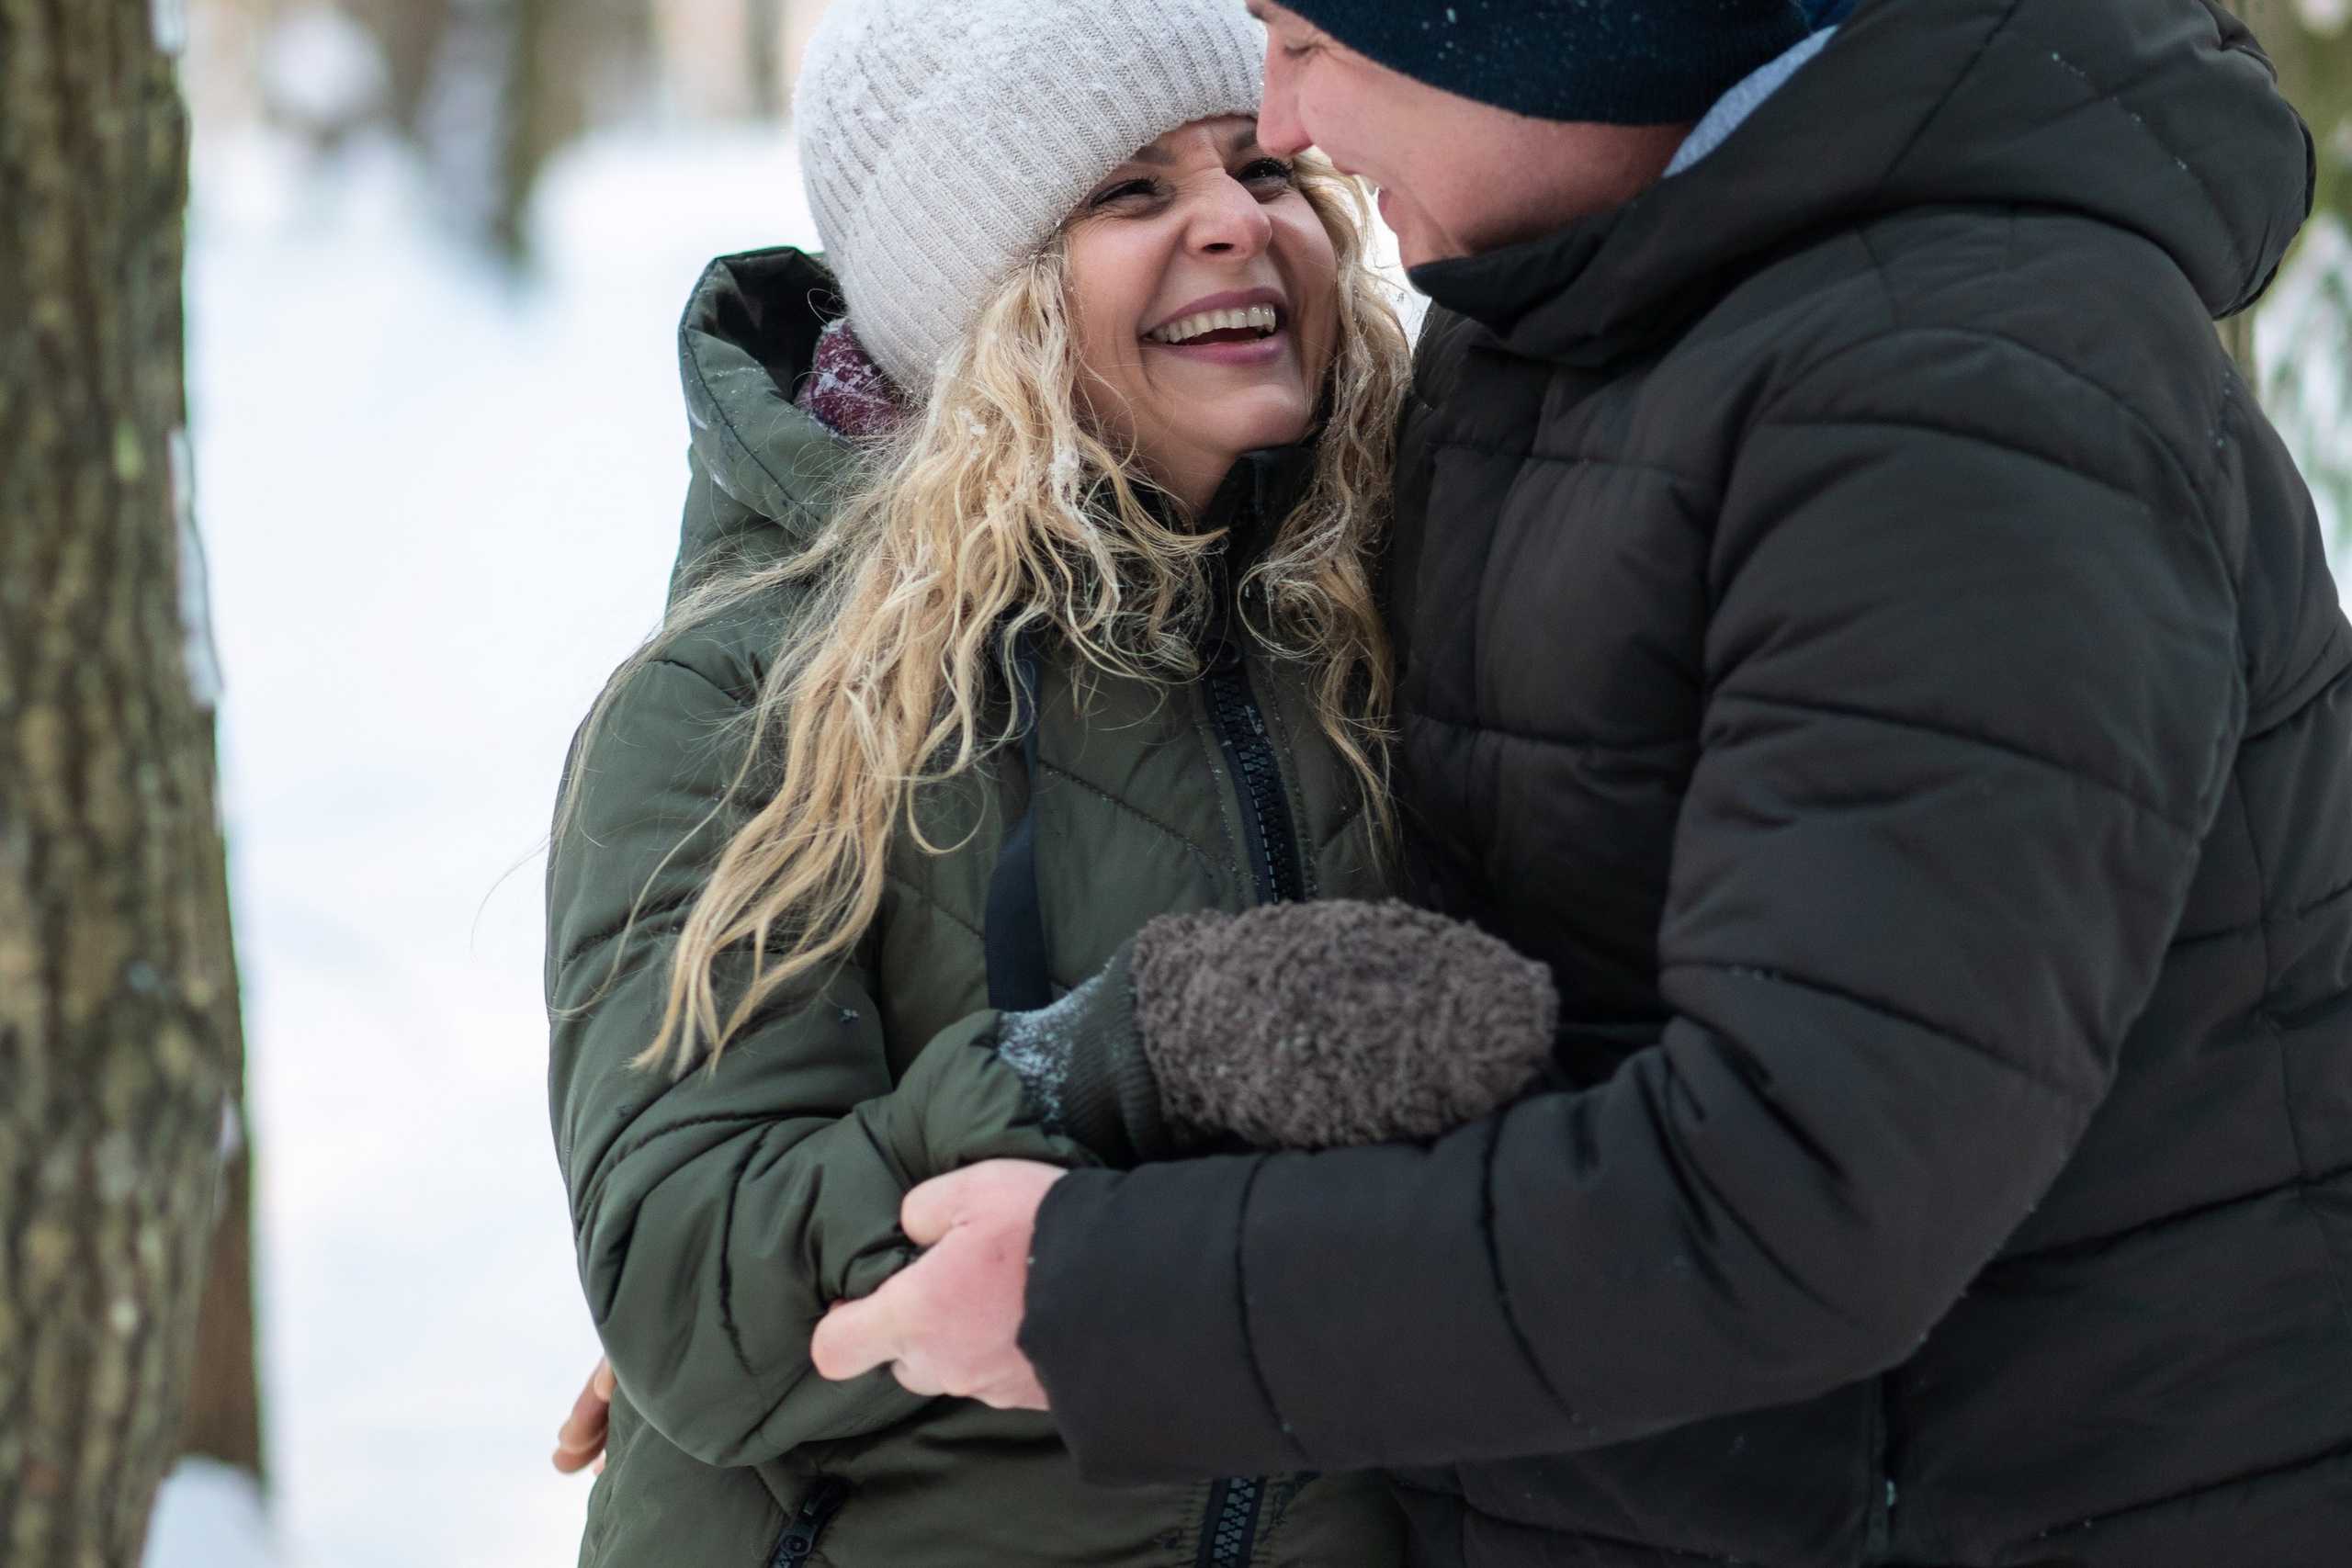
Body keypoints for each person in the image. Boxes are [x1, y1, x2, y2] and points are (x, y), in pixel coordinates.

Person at [812, 2, 2352, 1564]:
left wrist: (1094, 1298)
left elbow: (1800, 1191)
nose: (1282, 125)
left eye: (1306, 40)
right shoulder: (1568, 309)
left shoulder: (1962, 396)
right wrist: (821, 1237)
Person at [541, 0, 1419, 1562]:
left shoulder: (1393, 596)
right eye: (1128, 194)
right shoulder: (752, 700)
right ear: (981, 305)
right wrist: (1084, 1066)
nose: (1233, 221)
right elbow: (695, 1281)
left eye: (1258, 169)